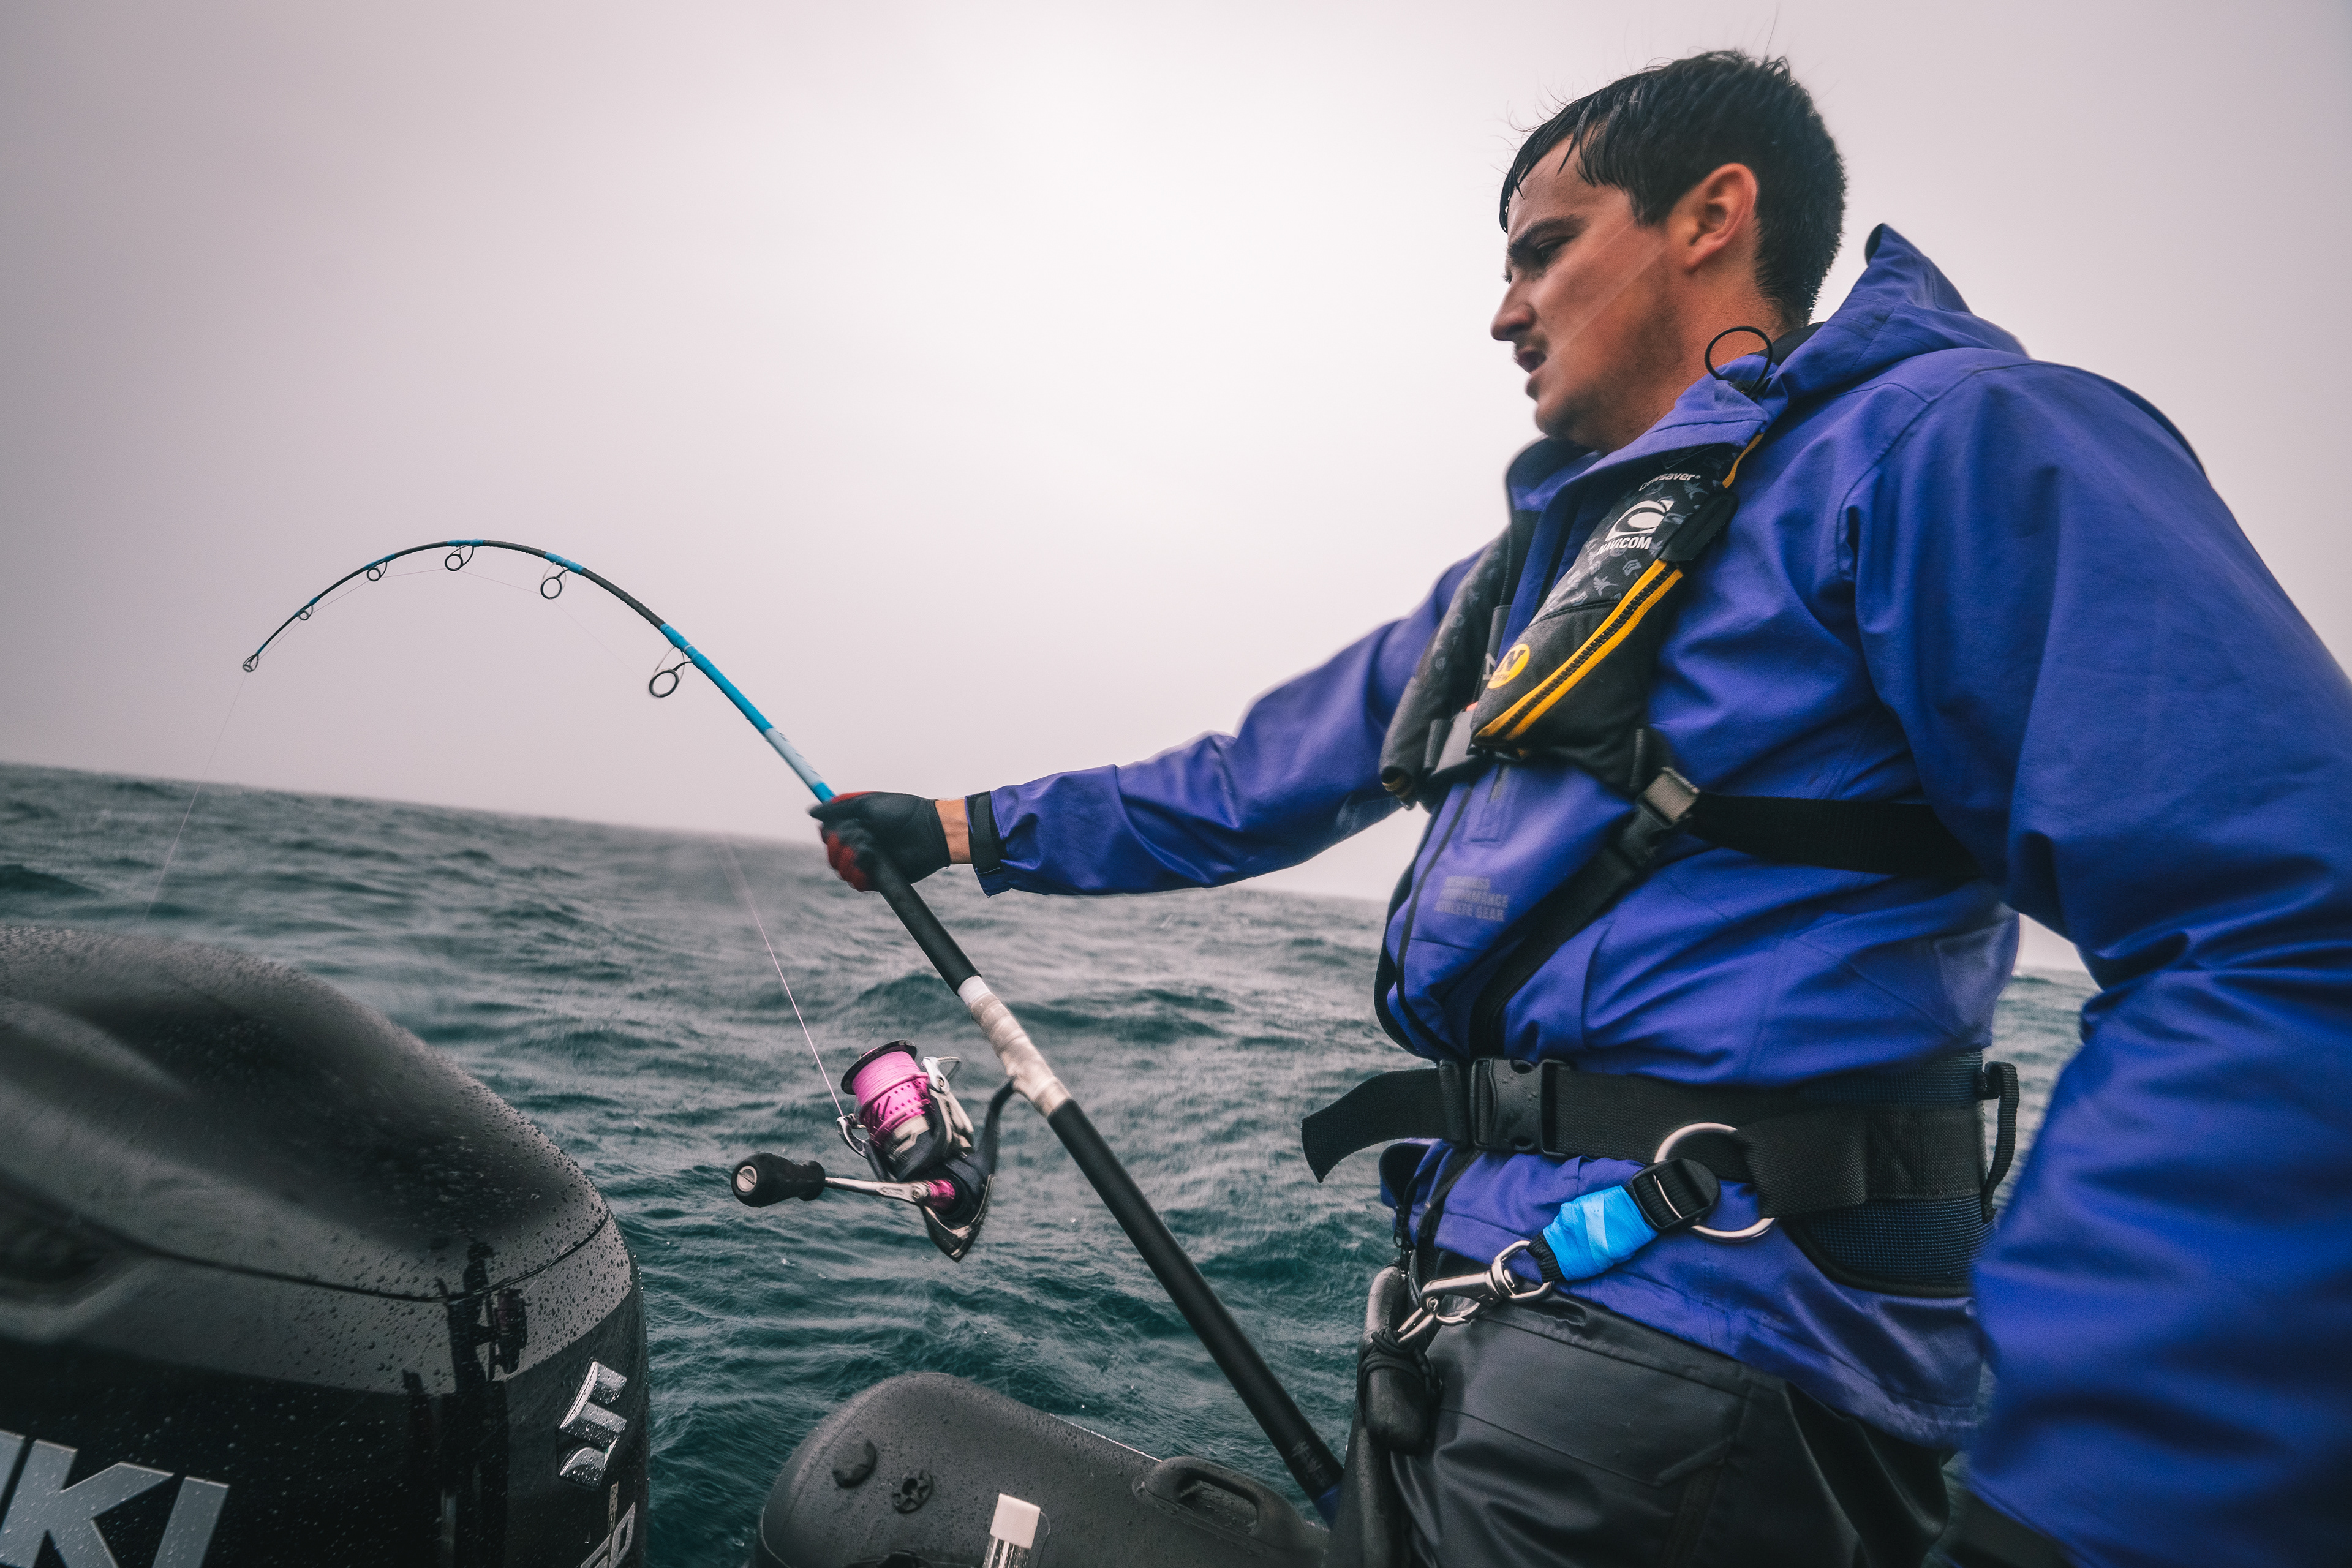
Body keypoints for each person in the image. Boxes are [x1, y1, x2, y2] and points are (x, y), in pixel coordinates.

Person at [809, 50, 2352, 1568]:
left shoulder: (1949, 443)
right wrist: (962, 825)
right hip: (1475, 1306)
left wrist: (2091, 1511)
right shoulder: (1531, 578)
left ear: (1712, 215)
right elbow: (1246, 780)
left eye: (1544, 250)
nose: (1504, 309)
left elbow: (2285, 924)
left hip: (1698, 1345)